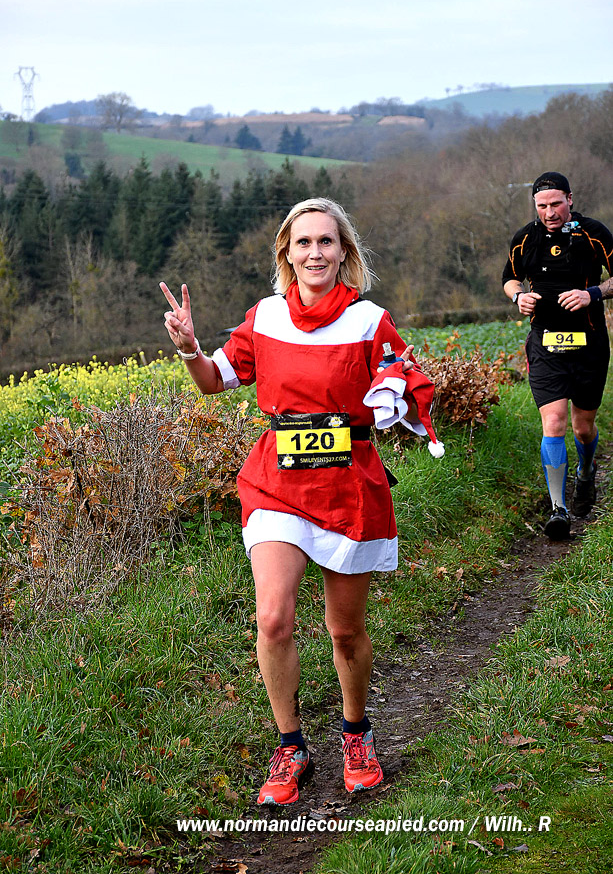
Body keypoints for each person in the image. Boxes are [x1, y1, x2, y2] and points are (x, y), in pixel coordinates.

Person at [160, 198, 443, 805]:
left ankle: (356, 733)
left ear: (344, 253)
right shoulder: (264, 317)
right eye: (303, 242)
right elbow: (212, 381)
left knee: (345, 631)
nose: (315, 252)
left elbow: (404, 375)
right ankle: (291, 747)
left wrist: (394, 390)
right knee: (273, 617)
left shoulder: (369, 321)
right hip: (277, 483)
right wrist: (188, 346)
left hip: (348, 487)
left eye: (326, 242)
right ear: (287, 253)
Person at [502, 172, 613, 540]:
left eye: (555, 204)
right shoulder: (525, 238)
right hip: (545, 345)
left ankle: (586, 471)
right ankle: (558, 509)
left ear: (570, 199)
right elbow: (510, 278)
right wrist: (519, 296)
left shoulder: (593, 233)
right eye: (541, 206)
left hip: (589, 344)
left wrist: (592, 294)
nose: (549, 212)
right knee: (553, 423)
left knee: (583, 427)